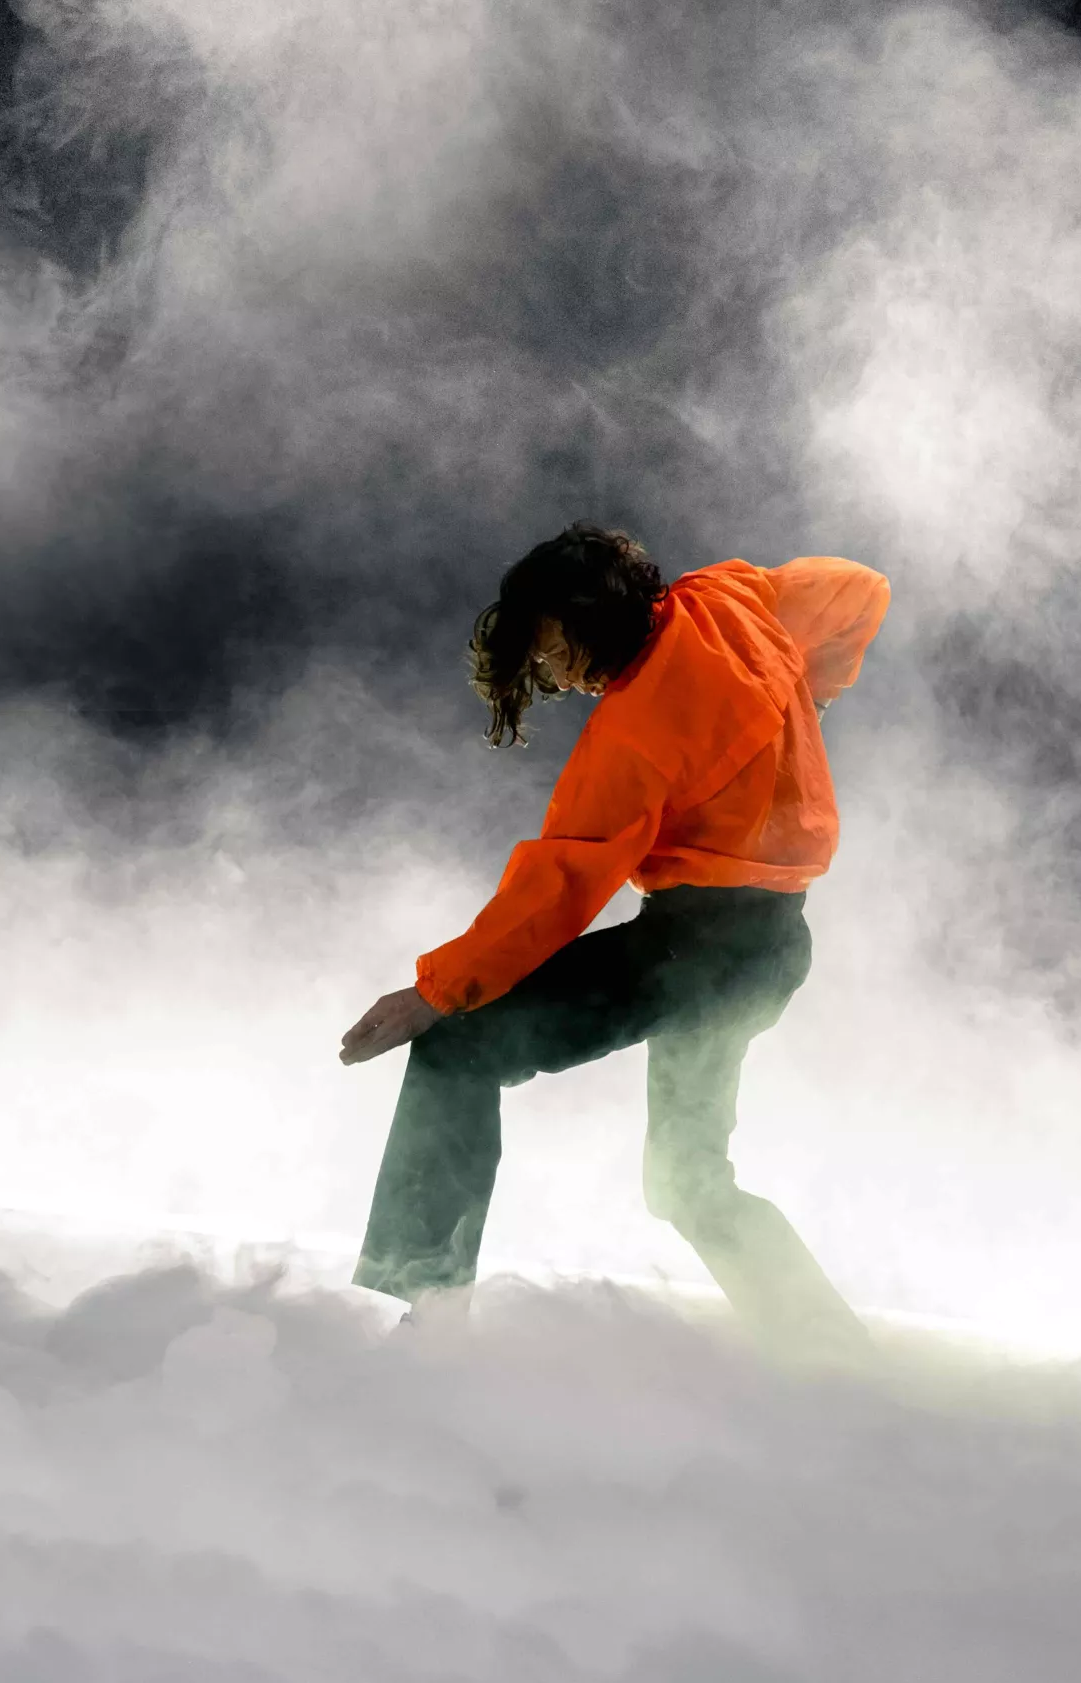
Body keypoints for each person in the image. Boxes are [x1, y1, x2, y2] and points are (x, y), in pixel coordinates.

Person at [340, 523, 889, 1352]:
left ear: (599, 618)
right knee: (688, 1182)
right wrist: (816, 684)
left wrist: (434, 992)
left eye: (556, 647)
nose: (552, 670)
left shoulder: (642, 729)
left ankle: (428, 1314)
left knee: (456, 1050)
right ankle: (835, 1354)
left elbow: (558, 886)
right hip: (772, 950)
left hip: (695, 953)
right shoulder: (729, 600)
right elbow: (860, 587)